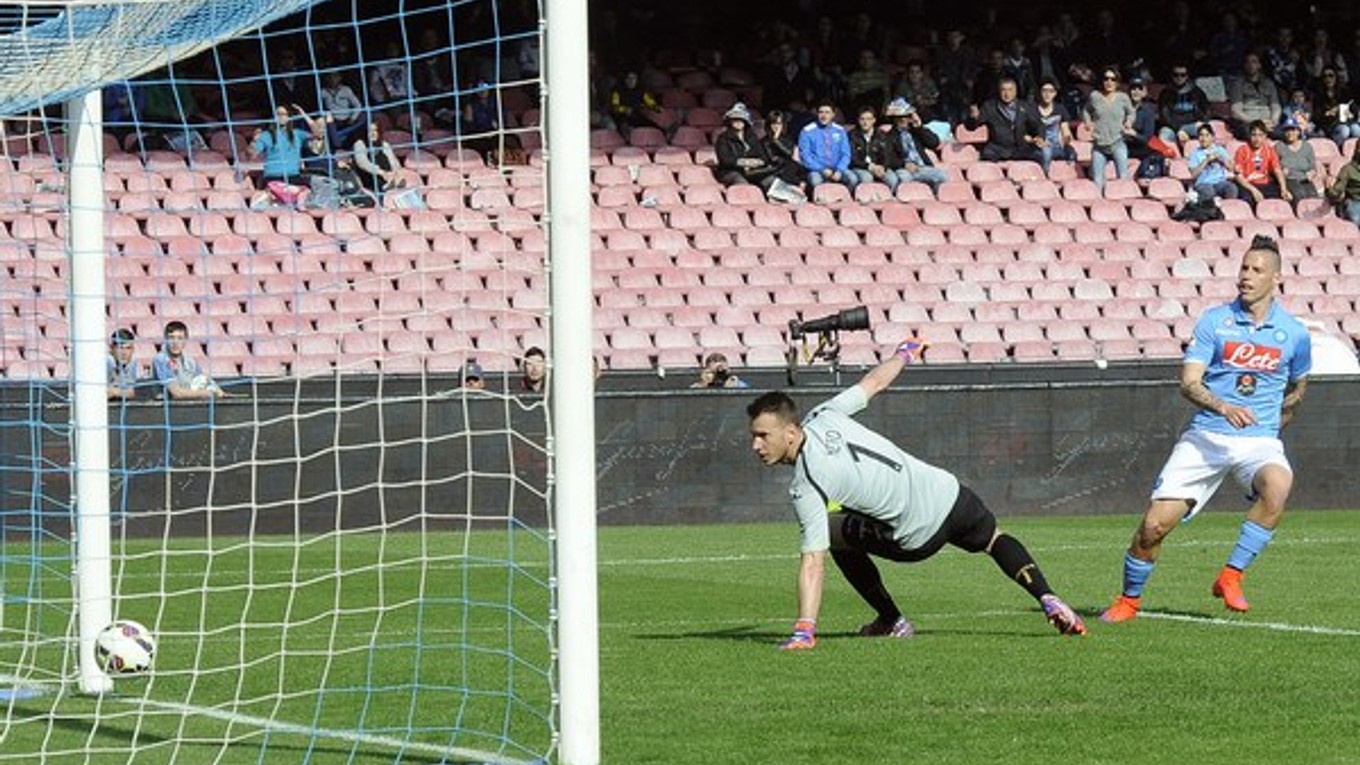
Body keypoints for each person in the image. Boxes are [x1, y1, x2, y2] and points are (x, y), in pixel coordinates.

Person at [748, 338, 1087, 651]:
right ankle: (1048, 597)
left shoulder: (806, 483)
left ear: (791, 433)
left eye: (763, 435)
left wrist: (804, 630)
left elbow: (812, 562)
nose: (756, 445)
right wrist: (904, 354)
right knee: (994, 538)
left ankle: (892, 620)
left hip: (915, 535)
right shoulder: (826, 413)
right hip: (947, 493)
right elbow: (875, 383)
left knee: (834, 536)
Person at [1102, 235, 1311, 623]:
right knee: (1153, 527)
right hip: (1207, 437)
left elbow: (1299, 386)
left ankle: (1230, 577)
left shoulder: (1295, 333)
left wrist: (1274, 425)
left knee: (1278, 487)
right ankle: (1128, 600)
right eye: (1244, 268)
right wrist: (1223, 406)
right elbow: (1189, 383)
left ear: (1276, 278)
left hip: (1259, 441)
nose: (1246, 277)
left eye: (1256, 270)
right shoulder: (1216, 321)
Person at [713, 103, 805, 203]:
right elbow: (725, 160)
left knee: (769, 180)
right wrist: (745, 162)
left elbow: (762, 155)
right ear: (730, 121)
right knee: (741, 182)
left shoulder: (752, 137)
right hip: (731, 171)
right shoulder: (723, 138)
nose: (738, 122)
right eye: (735, 119)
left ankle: (792, 198)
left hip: (752, 170)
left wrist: (758, 162)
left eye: (741, 119)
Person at [965, 76, 1045, 163]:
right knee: (987, 156)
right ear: (999, 91)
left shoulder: (1026, 107)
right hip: (997, 149)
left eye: (1010, 90)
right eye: (1003, 90)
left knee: (1039, 155)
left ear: (1016, 91)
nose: (1007, 94)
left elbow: (1039, 125)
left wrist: (1040, 137)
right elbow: (971, 127)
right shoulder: (990, 107)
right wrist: (973, 118)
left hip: (1021, 149)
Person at [1084, 67, 1136, 192]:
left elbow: (1131, 112)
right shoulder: (1095, 96)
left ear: (1117, 82)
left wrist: (1129, 122)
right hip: (1099, 144)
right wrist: (1087, 122)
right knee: (1097, 180)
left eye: (1113, 79)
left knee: (1123, 178)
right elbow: (1086, 110)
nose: (1109, 82)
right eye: (1106, 78)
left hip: (1118, 141)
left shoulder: (1123, 97)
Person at [882, 98, 947, 194]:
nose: (904, 119)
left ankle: (934, 199)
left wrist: (920, 127)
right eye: (900, 117)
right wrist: (904, 164)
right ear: (894, 119)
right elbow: (888, 159)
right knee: (905, 178)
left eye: (907, 116)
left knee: (941, 176)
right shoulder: (889, 136)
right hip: (904, 169)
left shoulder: (916, 131)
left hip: (922, 167)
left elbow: (934, 143)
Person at [152, 321, 227, 401]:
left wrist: (217, 390)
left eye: (180, 338)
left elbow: (203, 379)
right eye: (171, 338)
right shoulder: (161, 359)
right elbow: (177, 394)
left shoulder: (190, 361)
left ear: (185, 340)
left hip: (187, 407)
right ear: (166, 339)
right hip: (164, 408)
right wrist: (208, 393)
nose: (175, 342)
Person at [796, 100, 857, 194]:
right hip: (817, 170)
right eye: (821, 112)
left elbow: (846, 154)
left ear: (833, 114)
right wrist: (821, 169)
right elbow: (805, 156)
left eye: (827, 112)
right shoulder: (807, 131)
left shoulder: (840, 130)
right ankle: (820, 203)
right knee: (815, 181)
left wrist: (839, 170)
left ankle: (842, 198)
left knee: (853, 179)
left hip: (837, 169)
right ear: (817, 114)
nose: (824, 116)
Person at [249, 104, 311, 188]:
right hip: (273, 178)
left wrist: (303, 114)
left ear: (289, 117)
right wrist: (254, 140)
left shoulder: (297, 133)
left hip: (293, 177)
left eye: (284, 114)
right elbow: (252, 154)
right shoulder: (266, 135)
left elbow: (319, 134)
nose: (281, 117)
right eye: (278, 114)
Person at [1233, 120, 1290, 207]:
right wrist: (1253, 190)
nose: (1257, 139)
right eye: (1254, 135)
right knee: (1247, 199)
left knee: (1282, 198)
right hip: (1248, 184)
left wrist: (1284, 189)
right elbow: (1238, 176)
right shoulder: (1242, 150)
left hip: (1265, 184)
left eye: (1260, 135)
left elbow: (1277, 170)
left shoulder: (1269, 150)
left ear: (1265, 137)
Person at [1227, 53, 1281, 139]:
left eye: (1254, 62)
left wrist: (1273, 121)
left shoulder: (1269, 83)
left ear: (1259, 65)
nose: (1251, 65)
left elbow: (1275, 106)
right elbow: (1236, 111)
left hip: (1267, 121)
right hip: (1248, 122)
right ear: (1244, 66)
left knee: (1284, 134)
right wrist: (1257, 123)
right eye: (1247, 62)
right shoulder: (1237, 84)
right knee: (1247, 133)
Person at [1157, 63, 1210, 144]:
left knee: (1205, 132)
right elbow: (1164, 116)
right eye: (1176, 75)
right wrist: (1179, 129)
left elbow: (1206, 110)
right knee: (1164, 135)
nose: (1179, 78)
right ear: (1172, 76)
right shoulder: (1165, 93)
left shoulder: (1197, 92)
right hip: (1171, 127)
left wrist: (1203, 122)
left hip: (1192, 125)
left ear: (1187, 76)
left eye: (1183, 75)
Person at [847, 106, 895, 190]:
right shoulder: (852, 135)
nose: (865, 122)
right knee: (866, 178)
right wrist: (869, 166)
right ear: (858, 120)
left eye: (869, 119)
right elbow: (853, 158)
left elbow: (887, 155)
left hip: (879, 167)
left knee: (892, 180)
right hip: (861, 167)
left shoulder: (882, 135)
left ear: (874, 120)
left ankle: (887, 200)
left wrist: (883, 167)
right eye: (862, 119)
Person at [1034, 77, 1075, 176]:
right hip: (1039, 147)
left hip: (1057, 147)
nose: (1047, 94)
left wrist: (1067, 138)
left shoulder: (1060, 109)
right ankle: (1044, 177)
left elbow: (1065, 130)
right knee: (1046, 152)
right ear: (1039, 92)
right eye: (1044, 91)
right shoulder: (1032, 109)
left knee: (1072, 153)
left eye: (1051, 91)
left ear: (1055, 93)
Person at [1187, 123, 1238, 202]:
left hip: (1219, 182)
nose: (1203, 138)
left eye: (1207, 135)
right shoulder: (1195, 153)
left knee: (1231, 188)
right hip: (1203, 183)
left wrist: (1221, 159)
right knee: (1209, 191)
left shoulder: (1220, 150)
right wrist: (1206, 160)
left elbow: (1231, 168)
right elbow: (1193, 174)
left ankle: (1228, 210)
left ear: (1212, 137)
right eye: (1201, 135)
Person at [1276, 118, 1320, 203]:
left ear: (1298, 131)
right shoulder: (1279, 146)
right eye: (1287, 130)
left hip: (1305, 180)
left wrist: (1312, 173)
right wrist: (1282, 172)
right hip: (1289, 180)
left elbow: (1313, 167)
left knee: (1314, 199)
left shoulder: (1307, 146)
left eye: (1292, 130)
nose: (1289, 133)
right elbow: (1275, 166)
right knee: (1299, 197)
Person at [1327, 141, 1360, 225]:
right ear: (1357, 150)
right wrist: (1329, 189)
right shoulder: (1347, 169)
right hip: (1355, 201)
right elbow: (1337, 190)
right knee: (1356, 219)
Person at [107, 328, 139, 401]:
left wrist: (115, 392)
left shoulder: (132, 362)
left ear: (133, 349)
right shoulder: (107, 362)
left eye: (128, 348)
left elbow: (134, 392)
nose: (124, 353)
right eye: (120, 348)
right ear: (111, 348)